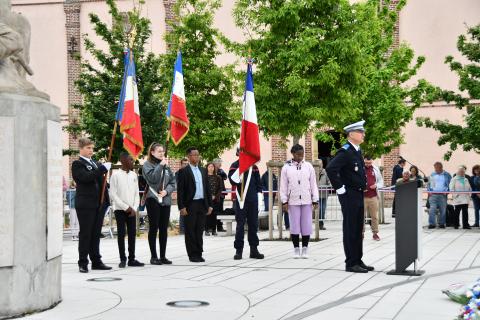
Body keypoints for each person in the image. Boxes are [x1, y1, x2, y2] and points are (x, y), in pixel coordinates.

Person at [326, 120, 373, 273]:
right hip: (349, 195)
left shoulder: (357, 150)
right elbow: (331, 169)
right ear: (351, 134)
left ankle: (358, 259)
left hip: (358, 193)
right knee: (350, 229)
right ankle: (351, 263)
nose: (363, 134)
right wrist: (340, 189)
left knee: (359, 229)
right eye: (361, 132)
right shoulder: (345, 151)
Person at [71, 137, 112, 273]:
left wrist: (106, 201)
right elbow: (86, 178)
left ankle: (96, 260)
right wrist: (101, 169)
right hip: (86, 204)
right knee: (86, 233)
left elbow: (101, 183)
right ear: (81, 149)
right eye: (88, 148)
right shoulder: (77, 164)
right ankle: (83, 262)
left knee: (95, 233)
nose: (91, 151)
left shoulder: (95, 163)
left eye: (92, 148)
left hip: (98, 204)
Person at [280, 144, 319, 258]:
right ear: (293, 154)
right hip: (293, 201)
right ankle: (296, 249)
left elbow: (313, 184)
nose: (300, 157)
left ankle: (305, 248)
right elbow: (283, 186)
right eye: (298, 154)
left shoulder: (308, 166)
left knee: (306, 225)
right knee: (295, 226)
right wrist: (284, 201)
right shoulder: (286, 167)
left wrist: (315, 199)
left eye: (302, 154)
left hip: (307, 200)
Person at [176, 147, 213, 263]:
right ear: (188, 156)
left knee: (199, 229)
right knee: (190, 230)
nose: (196, 157)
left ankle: (199, 252)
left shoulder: (203, 170)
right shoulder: (183, 171)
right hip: (190, 204)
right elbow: (180, 191)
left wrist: (210, 205)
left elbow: (207, 189)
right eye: (194, 155)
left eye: (198, 155)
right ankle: (192, 254)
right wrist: (181, 207)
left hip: (202, 203)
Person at [142, 143, 176, 265]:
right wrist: (161, 165)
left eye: (163, 151)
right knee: (154, 227)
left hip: (165, 200)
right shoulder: (147, 165)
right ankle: (154, 256)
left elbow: (173, 182)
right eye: (159, 151)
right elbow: (153, 179)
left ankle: (163, 256)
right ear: (152, 152)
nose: (162, 153)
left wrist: (167, 191)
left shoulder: (166, 166)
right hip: (153, 199)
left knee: (163, 228)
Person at [228, 148, 264, 260]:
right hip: (241, 200)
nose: (243, 154)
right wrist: (240, 169)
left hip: (253, 200)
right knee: (240, 226)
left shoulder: (254, 167)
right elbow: (232, 180)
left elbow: (259, 184)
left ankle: (254, 249)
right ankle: (239, 250)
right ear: (238, 153)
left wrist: (260, 198)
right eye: (241, 152)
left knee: (253, 225)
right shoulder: (234, 165)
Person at [109, 152, 144, 268]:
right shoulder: (115, 175)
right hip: (120, 210)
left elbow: (136, 194)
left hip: (132, 210)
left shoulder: (134, 175)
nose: (133, 162)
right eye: (130, 160)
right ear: (123, 160)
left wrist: (134, 208)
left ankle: (132, 259)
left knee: (132, 234)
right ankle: (122, 259)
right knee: (121, 234)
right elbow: (113, 194)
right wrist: (126, 207)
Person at [364, 156, 384, 241]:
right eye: (366, 163)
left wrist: (376, 185)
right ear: (364, 161)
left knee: (375, 216)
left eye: (370, 163)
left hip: (373, 196)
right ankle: (361, 233)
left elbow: (380, 181)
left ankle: (375, 233)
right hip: (362, 196)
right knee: (360, 217)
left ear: (372, 161)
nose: (368, 164)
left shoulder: (375, 169)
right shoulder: (360, 168)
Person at [427, 162, 452, 229]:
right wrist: (429, 191)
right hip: (433, 195)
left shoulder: (447, 175)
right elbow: (429, 184)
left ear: (441, 167)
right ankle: (432, 224)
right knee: (432, 209)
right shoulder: (432, 174)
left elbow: (451, 184)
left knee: (443, 210)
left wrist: (447, 192)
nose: (436, 169)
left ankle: (442, 223)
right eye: (435, 168)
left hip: (442, 195)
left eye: (437, 168)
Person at [449, 165, 472, 230]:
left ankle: (465, 225)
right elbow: (451, 189)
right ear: (458, 172)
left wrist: (469, 195)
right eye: (461, 171)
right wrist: (456, 195)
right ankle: (456, 224)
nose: (462, 173)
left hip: (465, 198)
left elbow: (470, 188)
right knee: (457, 212)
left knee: (465, 212)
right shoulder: (454, 179)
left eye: (463, 172)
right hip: (458, 199)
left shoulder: (466, 179)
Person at [205, 162, 222, 236]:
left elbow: (220, 188)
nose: (211, 168)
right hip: (206, 199)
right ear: (207, 168)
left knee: (214, 215)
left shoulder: (218, 177)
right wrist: (209, 196)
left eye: (212, 167)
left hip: (215, 199)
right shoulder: (204, 177)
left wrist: (215, 196)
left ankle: (214, 230)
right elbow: (203, 188)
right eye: (209, 167)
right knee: (207, 214)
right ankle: (207, 230)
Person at [213, 158, 227, 232]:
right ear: (215, 163)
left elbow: (225, 177)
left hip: (221, 194)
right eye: (219, 163)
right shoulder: (212, 171)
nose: (220, 164)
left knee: (220, 211)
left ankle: (220, 227)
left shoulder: (221, 171)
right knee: (215, 211)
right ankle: (213, 228)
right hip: (215, 194)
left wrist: (221, 172)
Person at [176, 158, 189, 234]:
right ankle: (182, 229)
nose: (186, 165)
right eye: (184, 164)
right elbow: (178, 185)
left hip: (189, 196)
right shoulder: (178, 173)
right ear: (181, 165)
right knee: (182, 212)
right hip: (182, 196)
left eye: (187, 164)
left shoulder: (190, 172)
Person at [318, 160, 330, 230]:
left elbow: (328, 181)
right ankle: (318, 223)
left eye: (321, 164)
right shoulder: (314, 172)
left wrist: (330, 185)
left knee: (323, 209)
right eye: (318, 164)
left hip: (324, 195)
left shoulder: (325, 172)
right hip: (316, 195)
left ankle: (321, 223)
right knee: (318, 209)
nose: (320, 166)